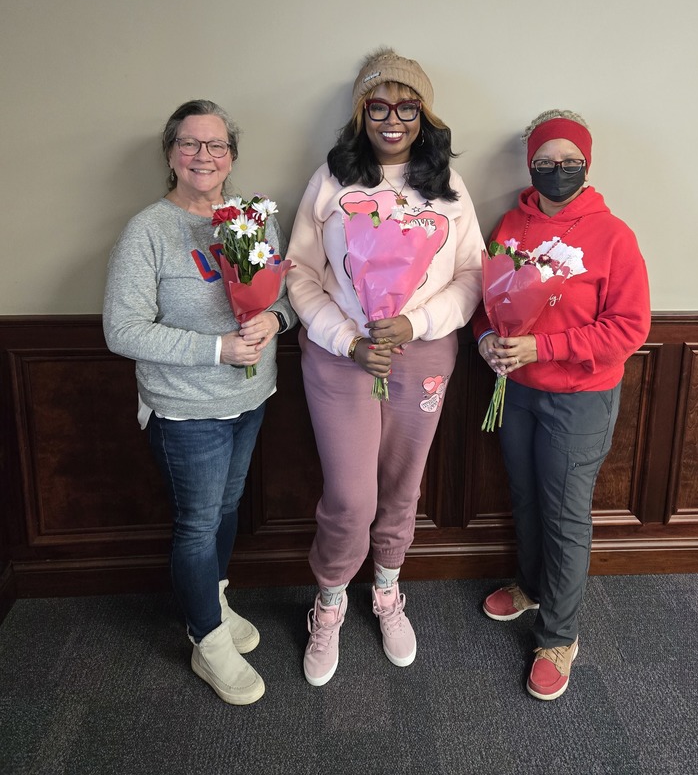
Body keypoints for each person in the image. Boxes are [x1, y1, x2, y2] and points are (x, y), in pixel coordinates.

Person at [286, 48, 484, 686]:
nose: (392, 119)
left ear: (424, 117)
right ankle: (330, 600)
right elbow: (300, 275)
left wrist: (417, 324)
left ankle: (389, 589)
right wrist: (346, 339)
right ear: (360, 114)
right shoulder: (331, 181)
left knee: (402, 484)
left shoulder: (449, 191)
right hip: (340, 358)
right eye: (378, 106)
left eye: (406, 107)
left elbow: (474, 276)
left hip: (422, 354)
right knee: (350, 495)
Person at [103, 99, 295, 706]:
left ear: (231, 156)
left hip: (251, 398)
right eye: (190, 144)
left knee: (229, 506)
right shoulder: (148, 231)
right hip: (186, 410)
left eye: (215, 146)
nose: (203, 156)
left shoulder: (254, 219)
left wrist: (272, 320)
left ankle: (212, 599)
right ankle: (205, 638)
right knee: (196, 523)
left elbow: (284, 299)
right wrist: (217, 349)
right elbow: (122, 331)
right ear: (171, 154)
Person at [473, 109, 650, 701]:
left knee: (565, 514)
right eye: (545, 161)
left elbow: (629, 328)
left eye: (568, 161)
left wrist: (545, 345)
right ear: (530, 164)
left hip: (580, 398)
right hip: (517, 391)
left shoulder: (613, 235)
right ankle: (530, 585)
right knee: (524, 498)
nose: (556, 170)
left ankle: (559, 636)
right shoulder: (510, 225)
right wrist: (485, 341)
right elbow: (486, 301)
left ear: (587, 163)